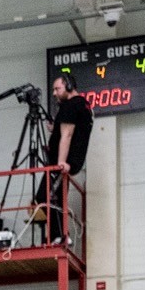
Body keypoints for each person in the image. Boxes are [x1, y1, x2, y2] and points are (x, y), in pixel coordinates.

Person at [41, 74, 93, 242]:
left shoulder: (70, 106)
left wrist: (60, 163)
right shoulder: (84, 105)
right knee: (56, 196)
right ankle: (59, 234)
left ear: (69, 86)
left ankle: (59, 235)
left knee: (43, 197)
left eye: (57, 89)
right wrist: (55, 128)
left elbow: (67, 135)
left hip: (62, 162)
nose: (54, 93)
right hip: (73, 161)